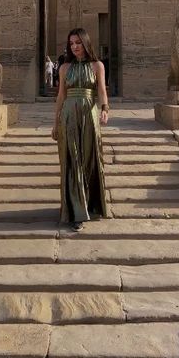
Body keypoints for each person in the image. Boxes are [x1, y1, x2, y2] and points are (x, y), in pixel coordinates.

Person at [51, 28, 109, 232]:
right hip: (68, 114)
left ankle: (91, 205)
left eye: (78, 42)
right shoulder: (64, 67)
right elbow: (60, 96)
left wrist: (104, 108)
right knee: (72, 160)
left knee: (89, 160)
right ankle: (76, 212)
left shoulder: (97, 65)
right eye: (71, 43)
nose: (74, 46)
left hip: (89, 113)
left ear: (85, 43)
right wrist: (55, 121)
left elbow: (101, 90)